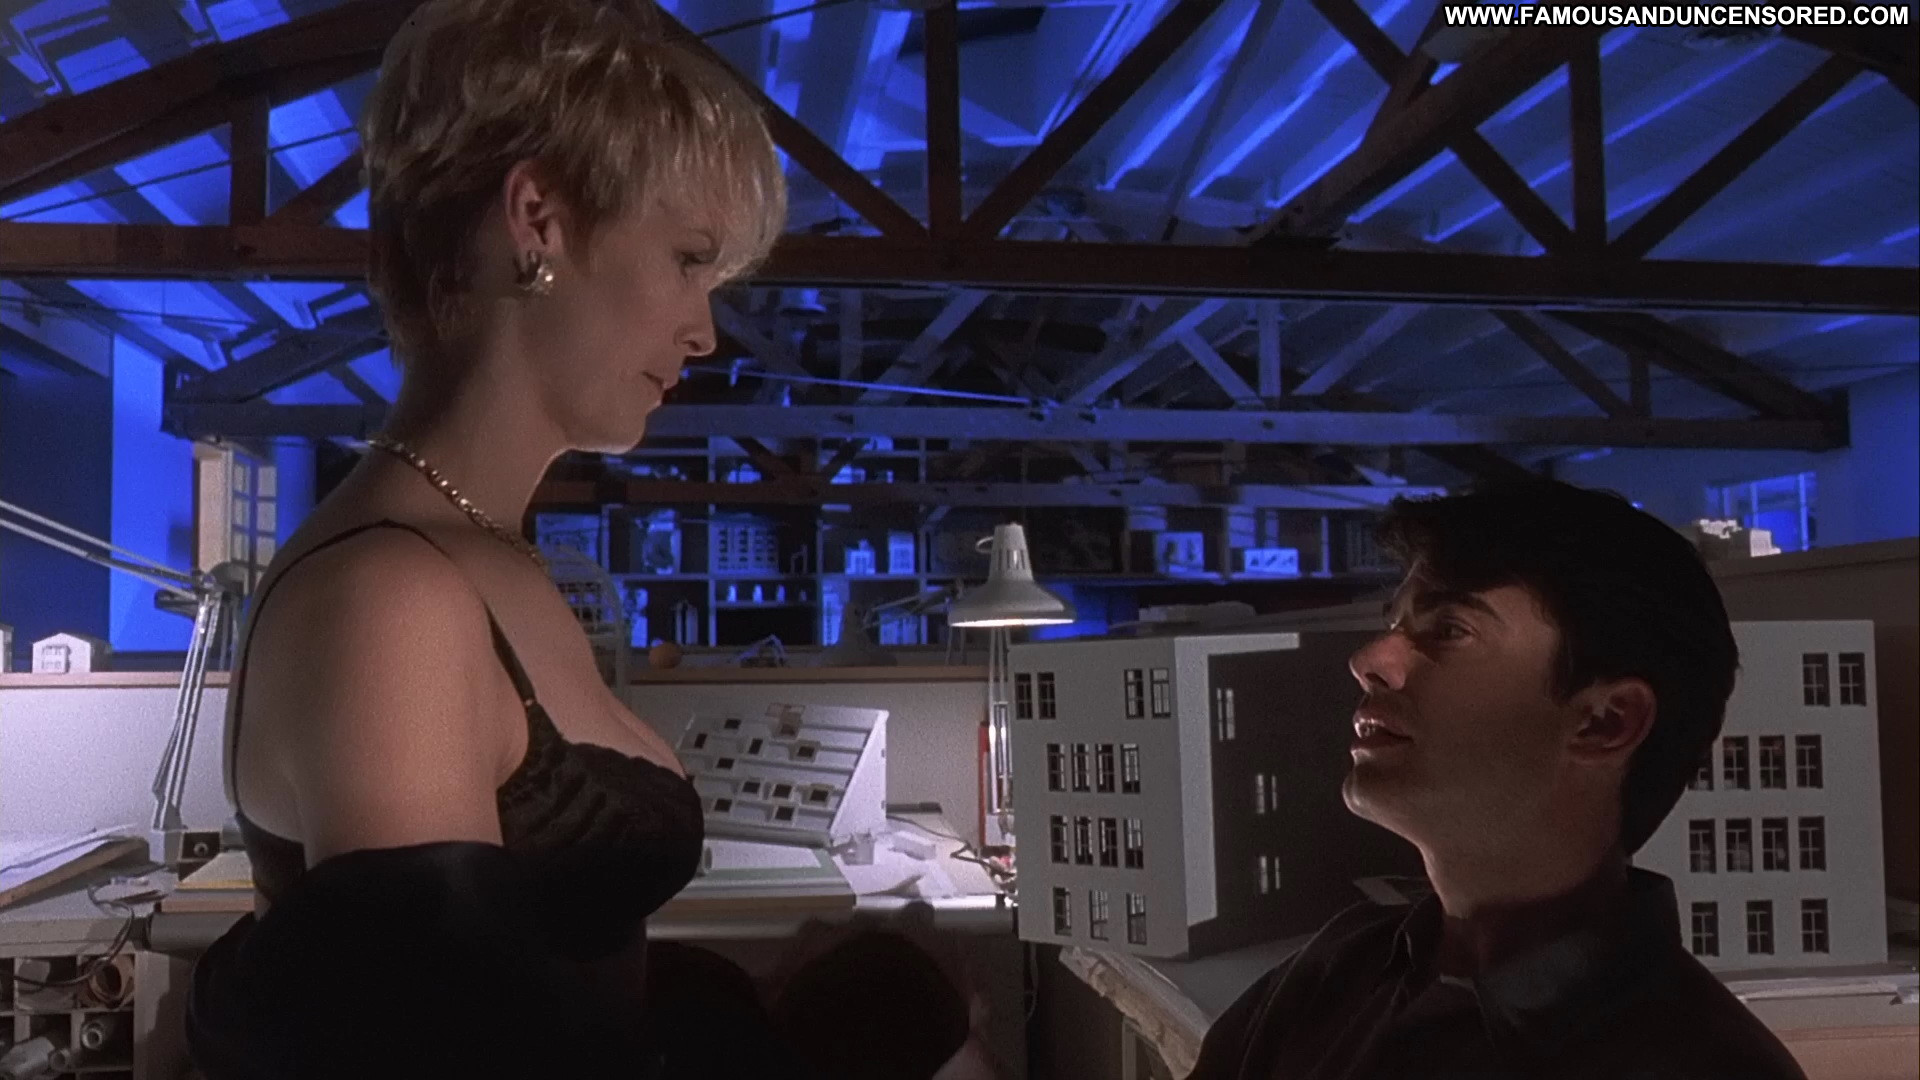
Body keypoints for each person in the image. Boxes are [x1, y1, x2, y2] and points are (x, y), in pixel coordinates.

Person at [185, 3, 979, 1077]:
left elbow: (540, 987)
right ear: (539, 222)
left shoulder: (484, 558)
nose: (705, 331)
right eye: (689, 259)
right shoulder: (395, 601)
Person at [1187, 479, 1808, 1080]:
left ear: (1604, 722)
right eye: (1395, 625)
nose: (1368, 660)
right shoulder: (1339, 968)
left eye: (1449, 630)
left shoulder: (1701, 1065)